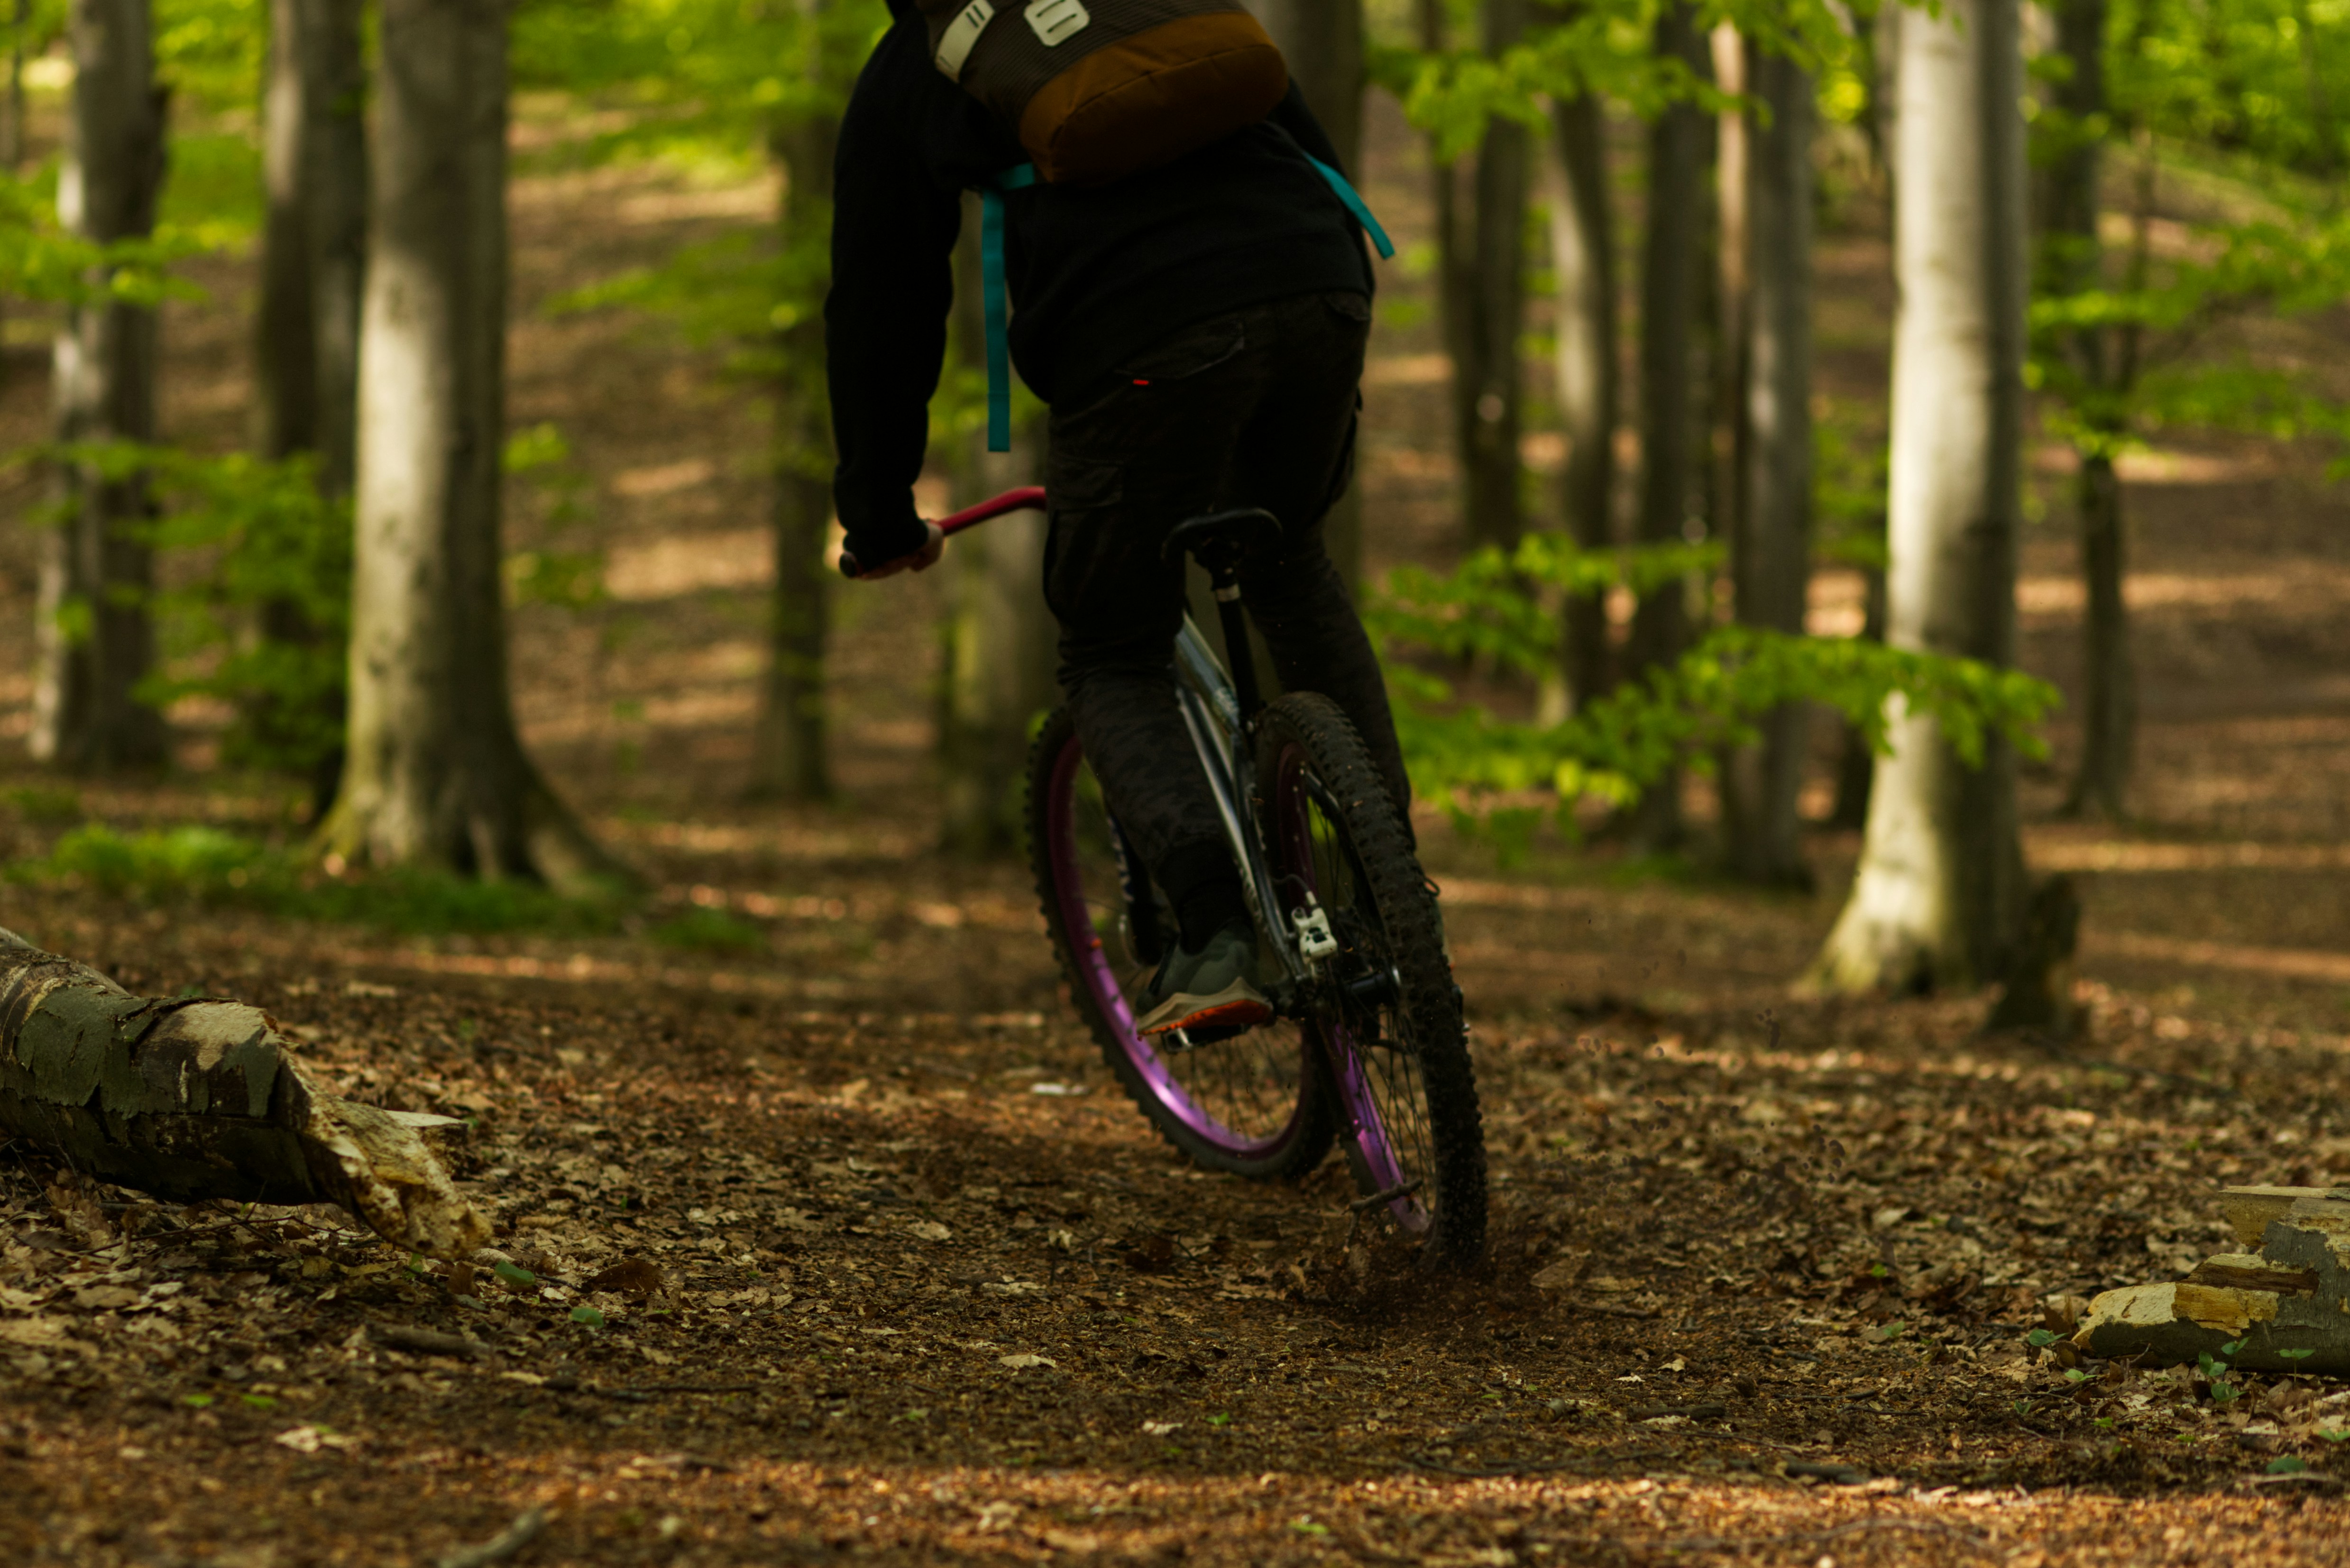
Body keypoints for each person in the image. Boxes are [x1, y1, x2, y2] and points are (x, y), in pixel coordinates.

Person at [828, 0, 1411, 1037]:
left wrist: (878, 515)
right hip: (1317, 279)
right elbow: (1294, 121)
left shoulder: (922, 65)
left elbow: (884, 305)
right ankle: (1393, 903)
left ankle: (1214, 937)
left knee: (1112, 646)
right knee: (1292, 563)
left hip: (1142, 337)